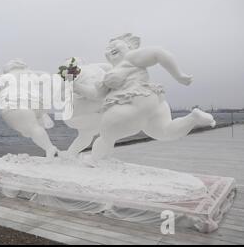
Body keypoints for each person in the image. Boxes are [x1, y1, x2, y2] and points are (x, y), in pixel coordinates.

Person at [87, 33, 216, 165]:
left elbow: (158, 53)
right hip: (153, 103)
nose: (110, 50)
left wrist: (179, 75)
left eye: (114, 45)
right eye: (107, 49)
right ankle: (193, 117)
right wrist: (75, 85)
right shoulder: (113, 70)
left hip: (137, 100)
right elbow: (96, 94)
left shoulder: (129, 58)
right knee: (165, 132)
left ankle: (96, 161)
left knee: (106, 133)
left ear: (130, 47)